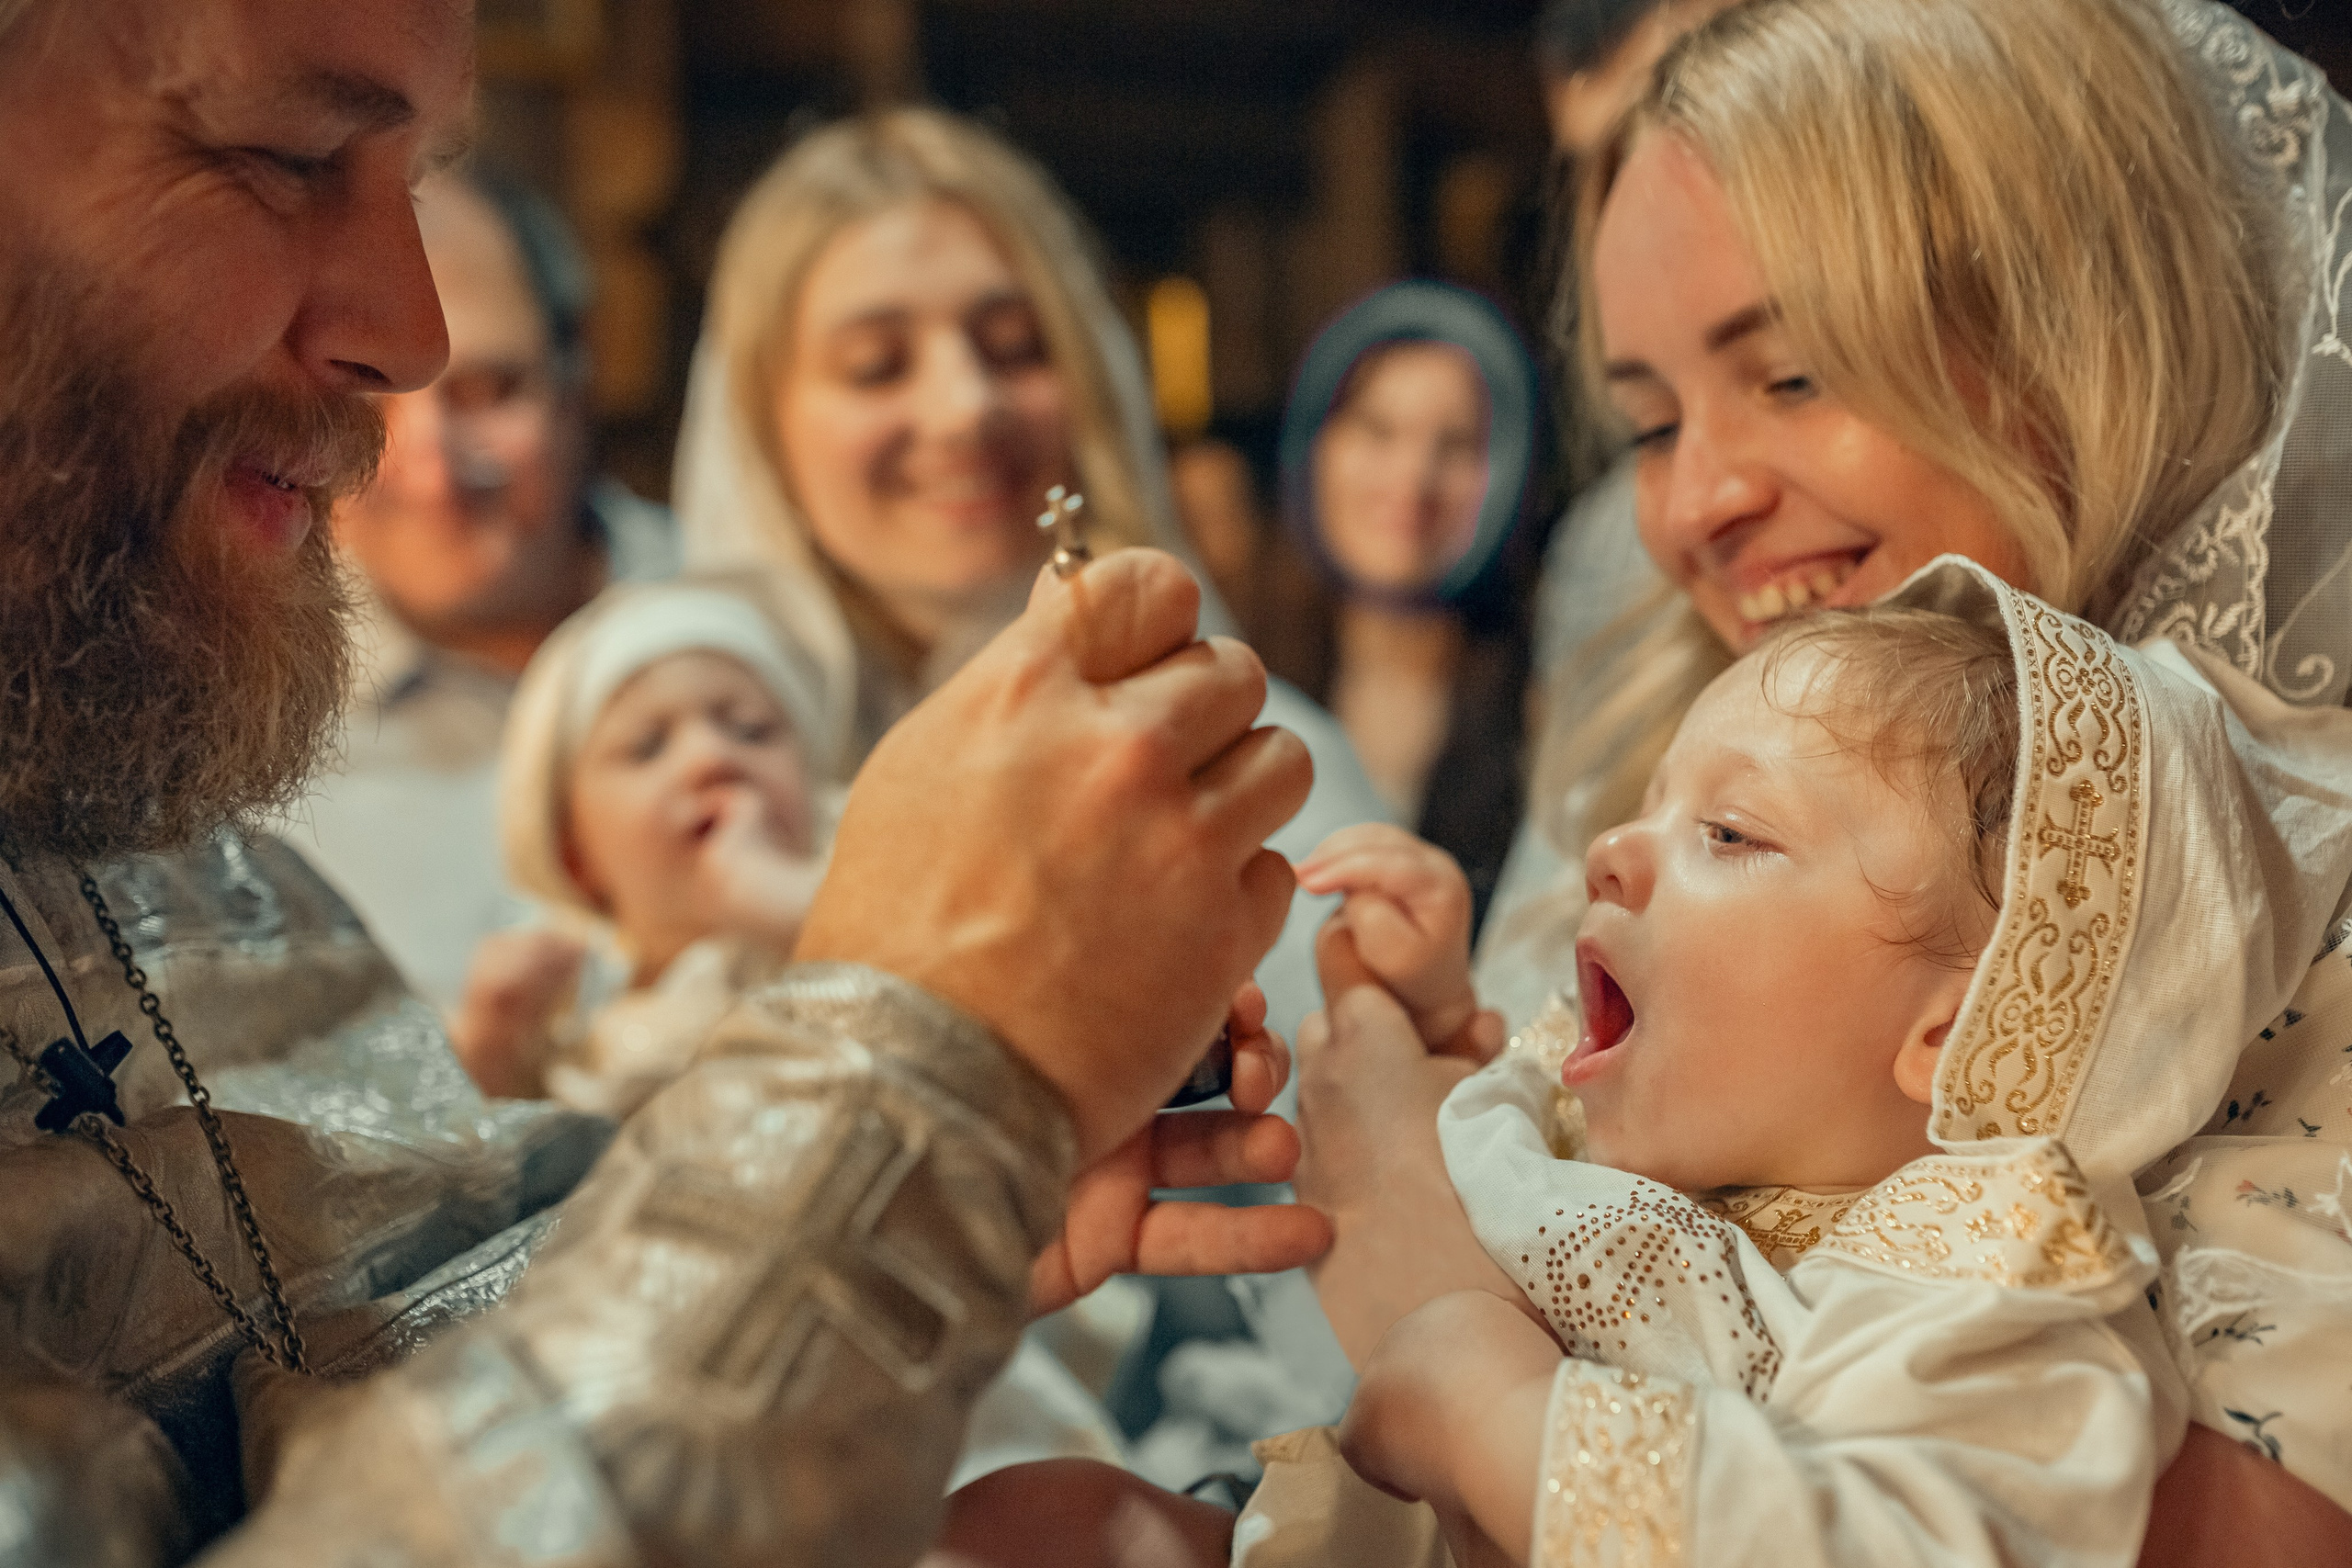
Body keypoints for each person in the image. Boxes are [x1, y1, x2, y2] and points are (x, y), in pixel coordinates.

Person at [0, 2, 1333, 1562]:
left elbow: (347, 1390)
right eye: (280, 157)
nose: (415, 337)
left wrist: (923, 1198)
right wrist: (887, 1106)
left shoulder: (146, 811)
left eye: (416, 178)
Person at [1315, 0, 2352, 1557]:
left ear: (2081, 327)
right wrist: (1488, 1061)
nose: (1698, 504)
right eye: (1652, 422)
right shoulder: (1671, 699)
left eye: (1792, 376)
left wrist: (1452, 1305)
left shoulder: (2287, 885)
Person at [1275, 560, 2352, 1564]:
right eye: (1650, 803)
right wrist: (1440, 1019)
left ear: (1955, 1032)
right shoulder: (1655, 1107)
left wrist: (1500, 1417)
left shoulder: (1981, 1285)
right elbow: (1500, 1133)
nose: (1610, 847)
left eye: (1730, 833)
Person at [673, 107, 1391, 1050]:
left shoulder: (1255, 762)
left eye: (1014, 346)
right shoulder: (690, 783)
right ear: (764, 434)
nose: (966, 407)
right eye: (877, 365)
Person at [286, 169, 678, 1011]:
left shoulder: (761, 610)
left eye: (488, 391)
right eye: (370, 411)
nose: (434, 472)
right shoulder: (260, 744)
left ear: (582, 373)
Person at [447, 579, 832, 1113]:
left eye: (752, 730)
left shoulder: (871, 903)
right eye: (647, 748)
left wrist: (789, 904)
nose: (711, 756)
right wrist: (492, 1053)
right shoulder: (580, 1042)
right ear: (576, 861)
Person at [1272, 283, 1543, 932]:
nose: (1413, 479)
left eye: (1455, 445)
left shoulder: (1545, 711)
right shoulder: (1241, 677)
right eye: (1377, 430)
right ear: (1315, 449)